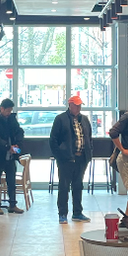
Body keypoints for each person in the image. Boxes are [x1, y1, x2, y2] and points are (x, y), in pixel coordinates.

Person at [50, 94, 94, 224]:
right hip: (66, 160)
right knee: (64, 187)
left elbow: (89, 138)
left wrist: (89, 153)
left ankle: (77, 213)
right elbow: (53, 140)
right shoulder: (60, 119)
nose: (78, 107)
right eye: (76, 105)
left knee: (78, 186)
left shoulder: (84, 119)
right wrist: (60, 155)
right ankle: (62, 213)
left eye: (80, 105)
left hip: (81, 159)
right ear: (70, 105)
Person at [0, 98, 25, 215]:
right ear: (1, 109)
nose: (9, 113)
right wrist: (8, 146)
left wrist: (17, 144)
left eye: (10, 110)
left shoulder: (12, 119)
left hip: (11, 156)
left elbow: (19, 131)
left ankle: (12, 204)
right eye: (7, 110)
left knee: (11, 181)